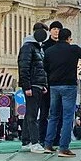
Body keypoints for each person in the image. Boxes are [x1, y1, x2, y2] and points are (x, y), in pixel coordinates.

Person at [41, 27, 81, 156]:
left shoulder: (49, 51)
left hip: (54, 86)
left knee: (53, 116)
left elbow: (45, 67)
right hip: (69, 86)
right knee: (67, 117)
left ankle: (48, 145)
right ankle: (63, 148)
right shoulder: (73, 49)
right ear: (68, 38)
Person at [18, 23, 50, 151]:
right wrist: (27, 86)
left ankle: (26, 141)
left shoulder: (38, 47)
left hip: (37, 84)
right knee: (32, 114)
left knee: (30, 113)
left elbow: (42, 68)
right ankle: (34, 142)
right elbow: (24, 67)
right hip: (32, 85)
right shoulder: (28, 47)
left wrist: (44, 84)